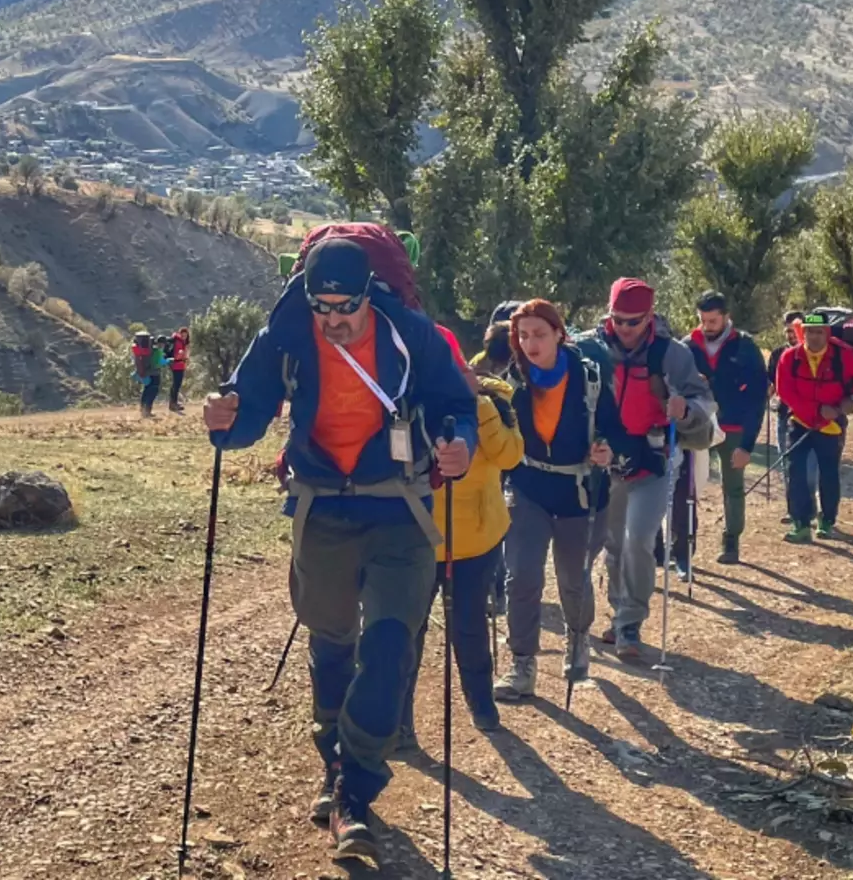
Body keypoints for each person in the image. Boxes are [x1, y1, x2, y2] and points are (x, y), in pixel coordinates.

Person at [203, 238, 476, 865]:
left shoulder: (410, 333)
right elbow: (251, 407)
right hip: (322, 504)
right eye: (322, 308)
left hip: (399, 510)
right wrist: (226, 418)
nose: (334, 320)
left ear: (367, 297)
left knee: (389, 644)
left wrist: (458, 442)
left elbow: (455, 405)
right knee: (330, 642)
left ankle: (354, 793)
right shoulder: (286, 329)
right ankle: (333, 759)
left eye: (345, 308)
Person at [577, 278, 716, 665]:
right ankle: (620, 611)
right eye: (617, 319)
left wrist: (685, 411)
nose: (623, 328)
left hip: (655, 460)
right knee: (613, 542)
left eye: (632, 322)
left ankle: (630, 623)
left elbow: (703, 399)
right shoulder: (591, 347)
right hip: (609, 461)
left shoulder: (671, 354)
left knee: (638, 538)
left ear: (649, 317)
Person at [493, 299, 619, 698]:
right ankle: (522, 663)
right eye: (523, 335)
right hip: (528, 488)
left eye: (539, 334)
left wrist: (606, 448)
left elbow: (616, 428)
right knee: (523, 577)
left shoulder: (590, 378)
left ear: (559, 335)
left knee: (573, 579)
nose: (531, 343)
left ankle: (578, 636)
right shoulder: (512, 383)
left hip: (580, 493)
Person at [397, 364, 523, 741]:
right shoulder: (400, 403)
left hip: (475, 542)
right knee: (406, 632)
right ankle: (400, 722)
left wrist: (477, 407)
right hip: (414, 539)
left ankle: (482, 704)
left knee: (468, 628)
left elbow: (511, 456)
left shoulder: (495, 402)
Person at [773, 310, 853, 542]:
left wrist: (846, 403)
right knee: (795, 472)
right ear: (803, 332)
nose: (814, 337)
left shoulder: (842, 356)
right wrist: (813, 413)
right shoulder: (789, 358)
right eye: (810, 331)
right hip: (799, 423)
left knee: (828, 474)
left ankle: (827, 520)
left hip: (832, 426)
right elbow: (785, 391)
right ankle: (800, 524)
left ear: (827, 333)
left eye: (819, 332)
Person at [688, 292, 768, 565]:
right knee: (688, 486)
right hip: (697, 427)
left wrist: (747, 444)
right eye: (702, 320)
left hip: (733, 427)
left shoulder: (746, 347)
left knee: (732, 486)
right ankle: (684, 545)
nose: (707, 326)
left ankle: (731, 541)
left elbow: (758, 397)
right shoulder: (689, 345)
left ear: (726, 317)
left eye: (712, 320)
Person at [132, 330, 162, 417]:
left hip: (146, 373)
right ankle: (147, 410)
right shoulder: (153, 351)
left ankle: (143, 408)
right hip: (154, 373)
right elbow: (157, 362)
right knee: (153, 391)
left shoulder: (139, 351)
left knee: (146, 390)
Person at [168, 326, 190, 412]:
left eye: (186, 335)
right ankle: (173, 404)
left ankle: (173, 403)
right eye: (183, 335)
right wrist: (182, 354)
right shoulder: (178, 342)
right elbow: (177, 355)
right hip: (177, 365)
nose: (184, 337)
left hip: (179, 365)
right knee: (176, 385)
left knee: (176, 385)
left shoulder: (181, 342)